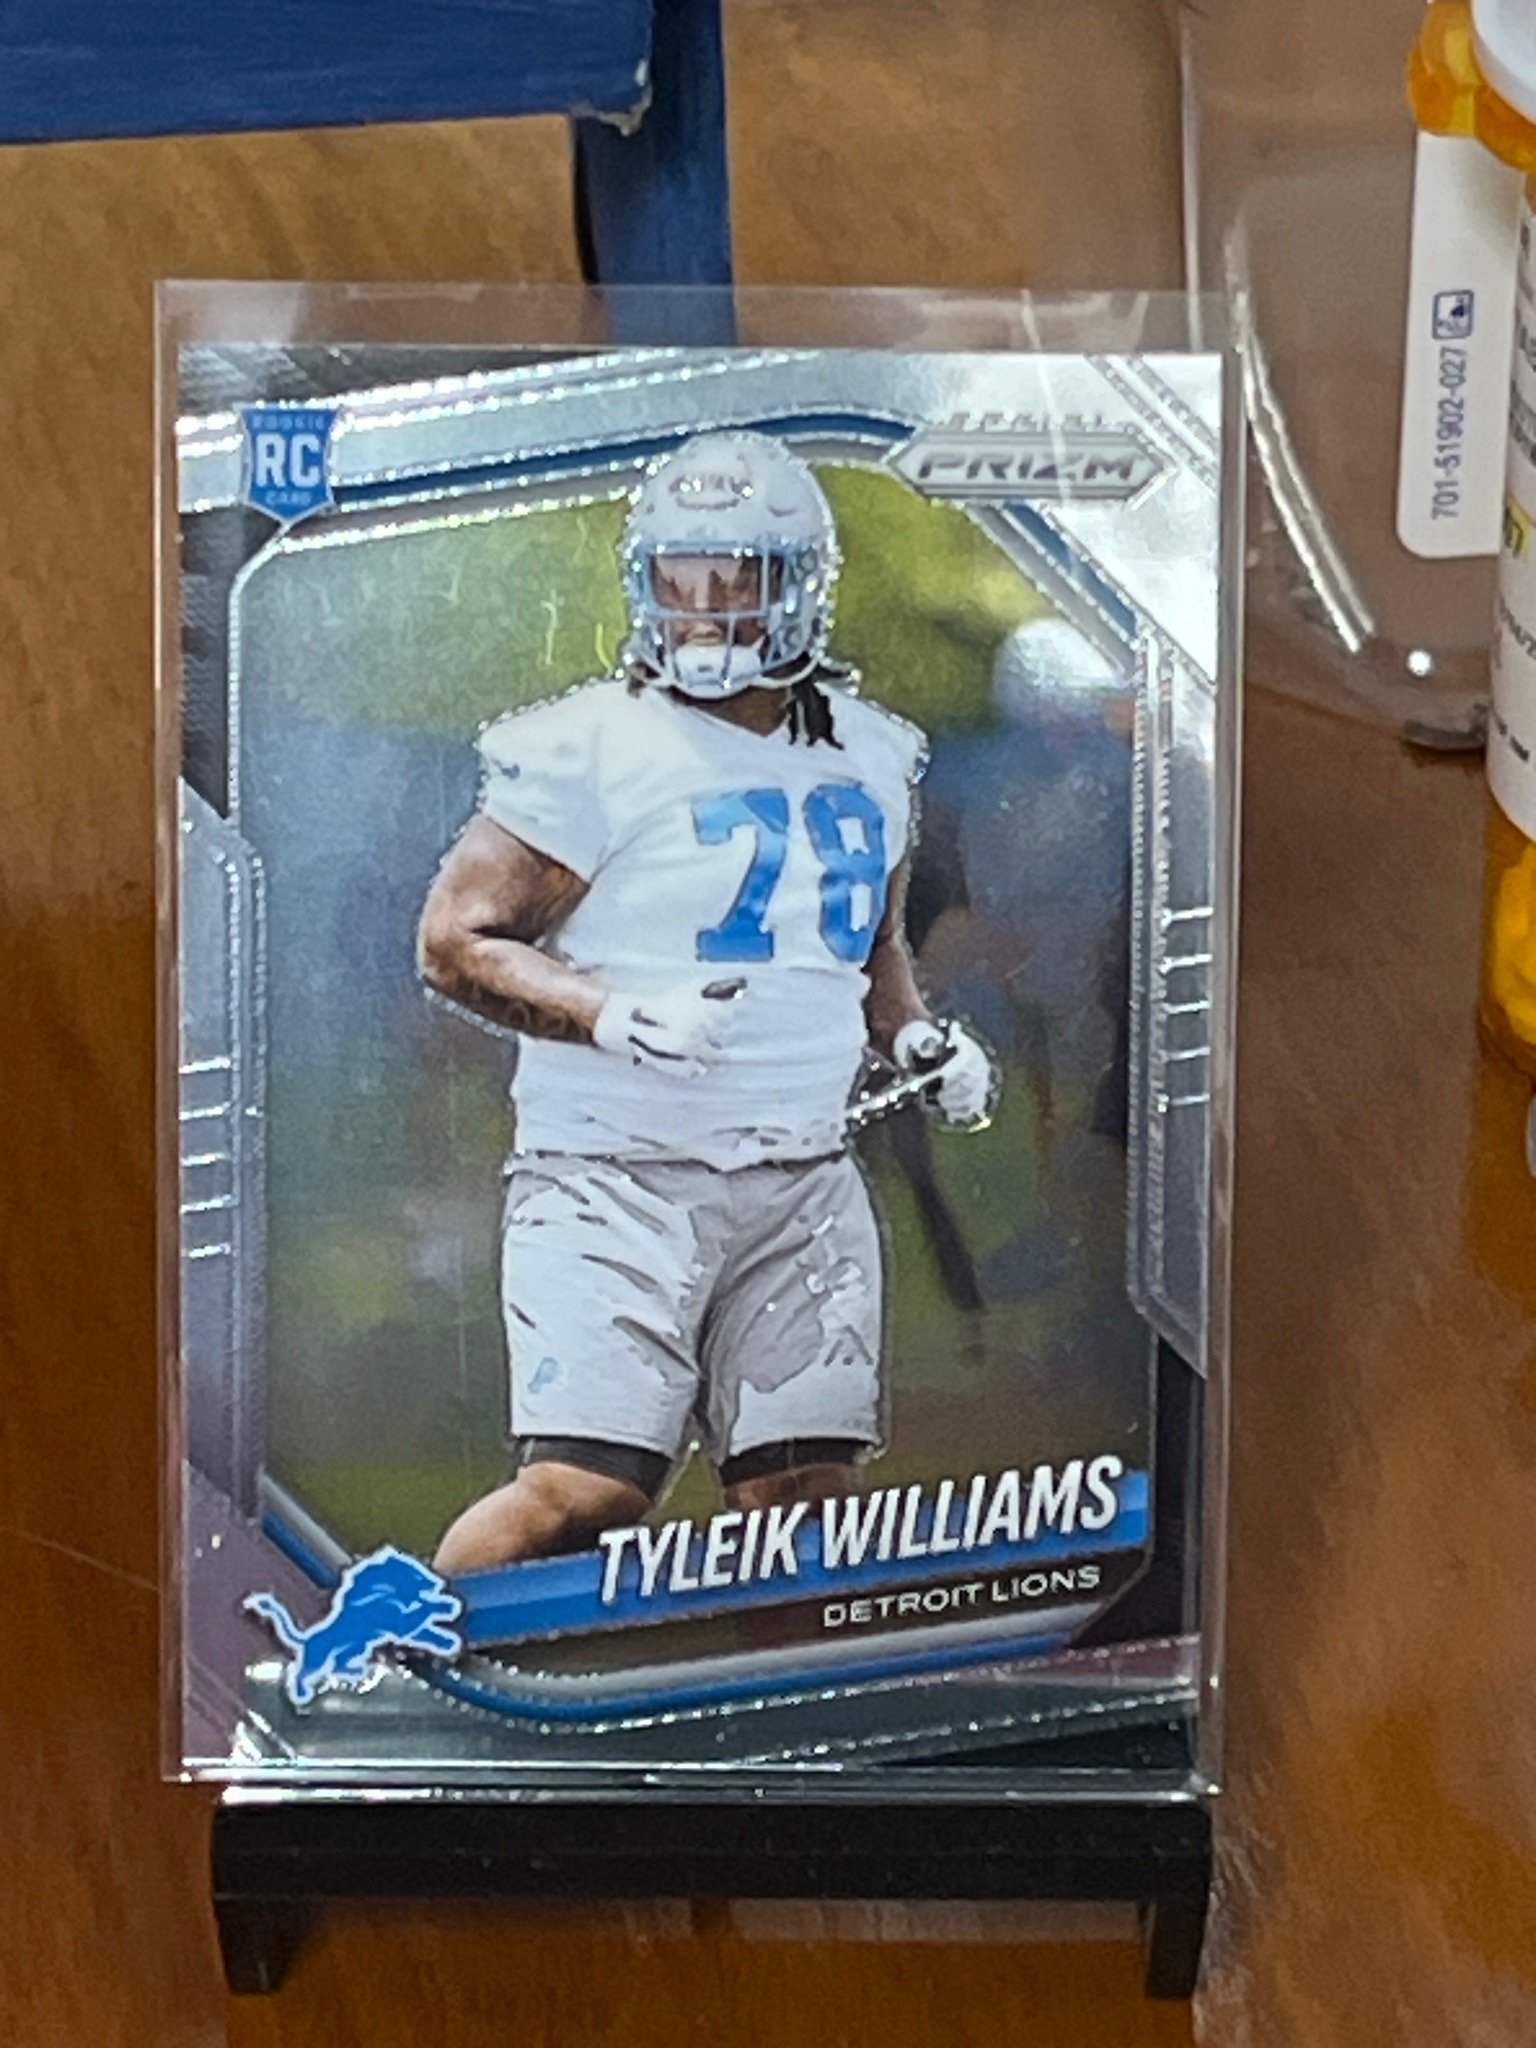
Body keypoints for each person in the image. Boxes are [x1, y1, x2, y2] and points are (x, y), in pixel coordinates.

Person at [416, 430, 995, 1574]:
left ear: (802, 585)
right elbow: (454, 939)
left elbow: (860, 945)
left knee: (804, 1508)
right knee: (583, 1493)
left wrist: (917, 1036)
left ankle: (789, 1698)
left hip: (801, 1178)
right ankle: (396, 1657)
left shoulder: (873, 752)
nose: (703, 608)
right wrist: (611, 1013)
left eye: (735, 577)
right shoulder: (591, 745)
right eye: (678, 579)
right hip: (617, 1174)